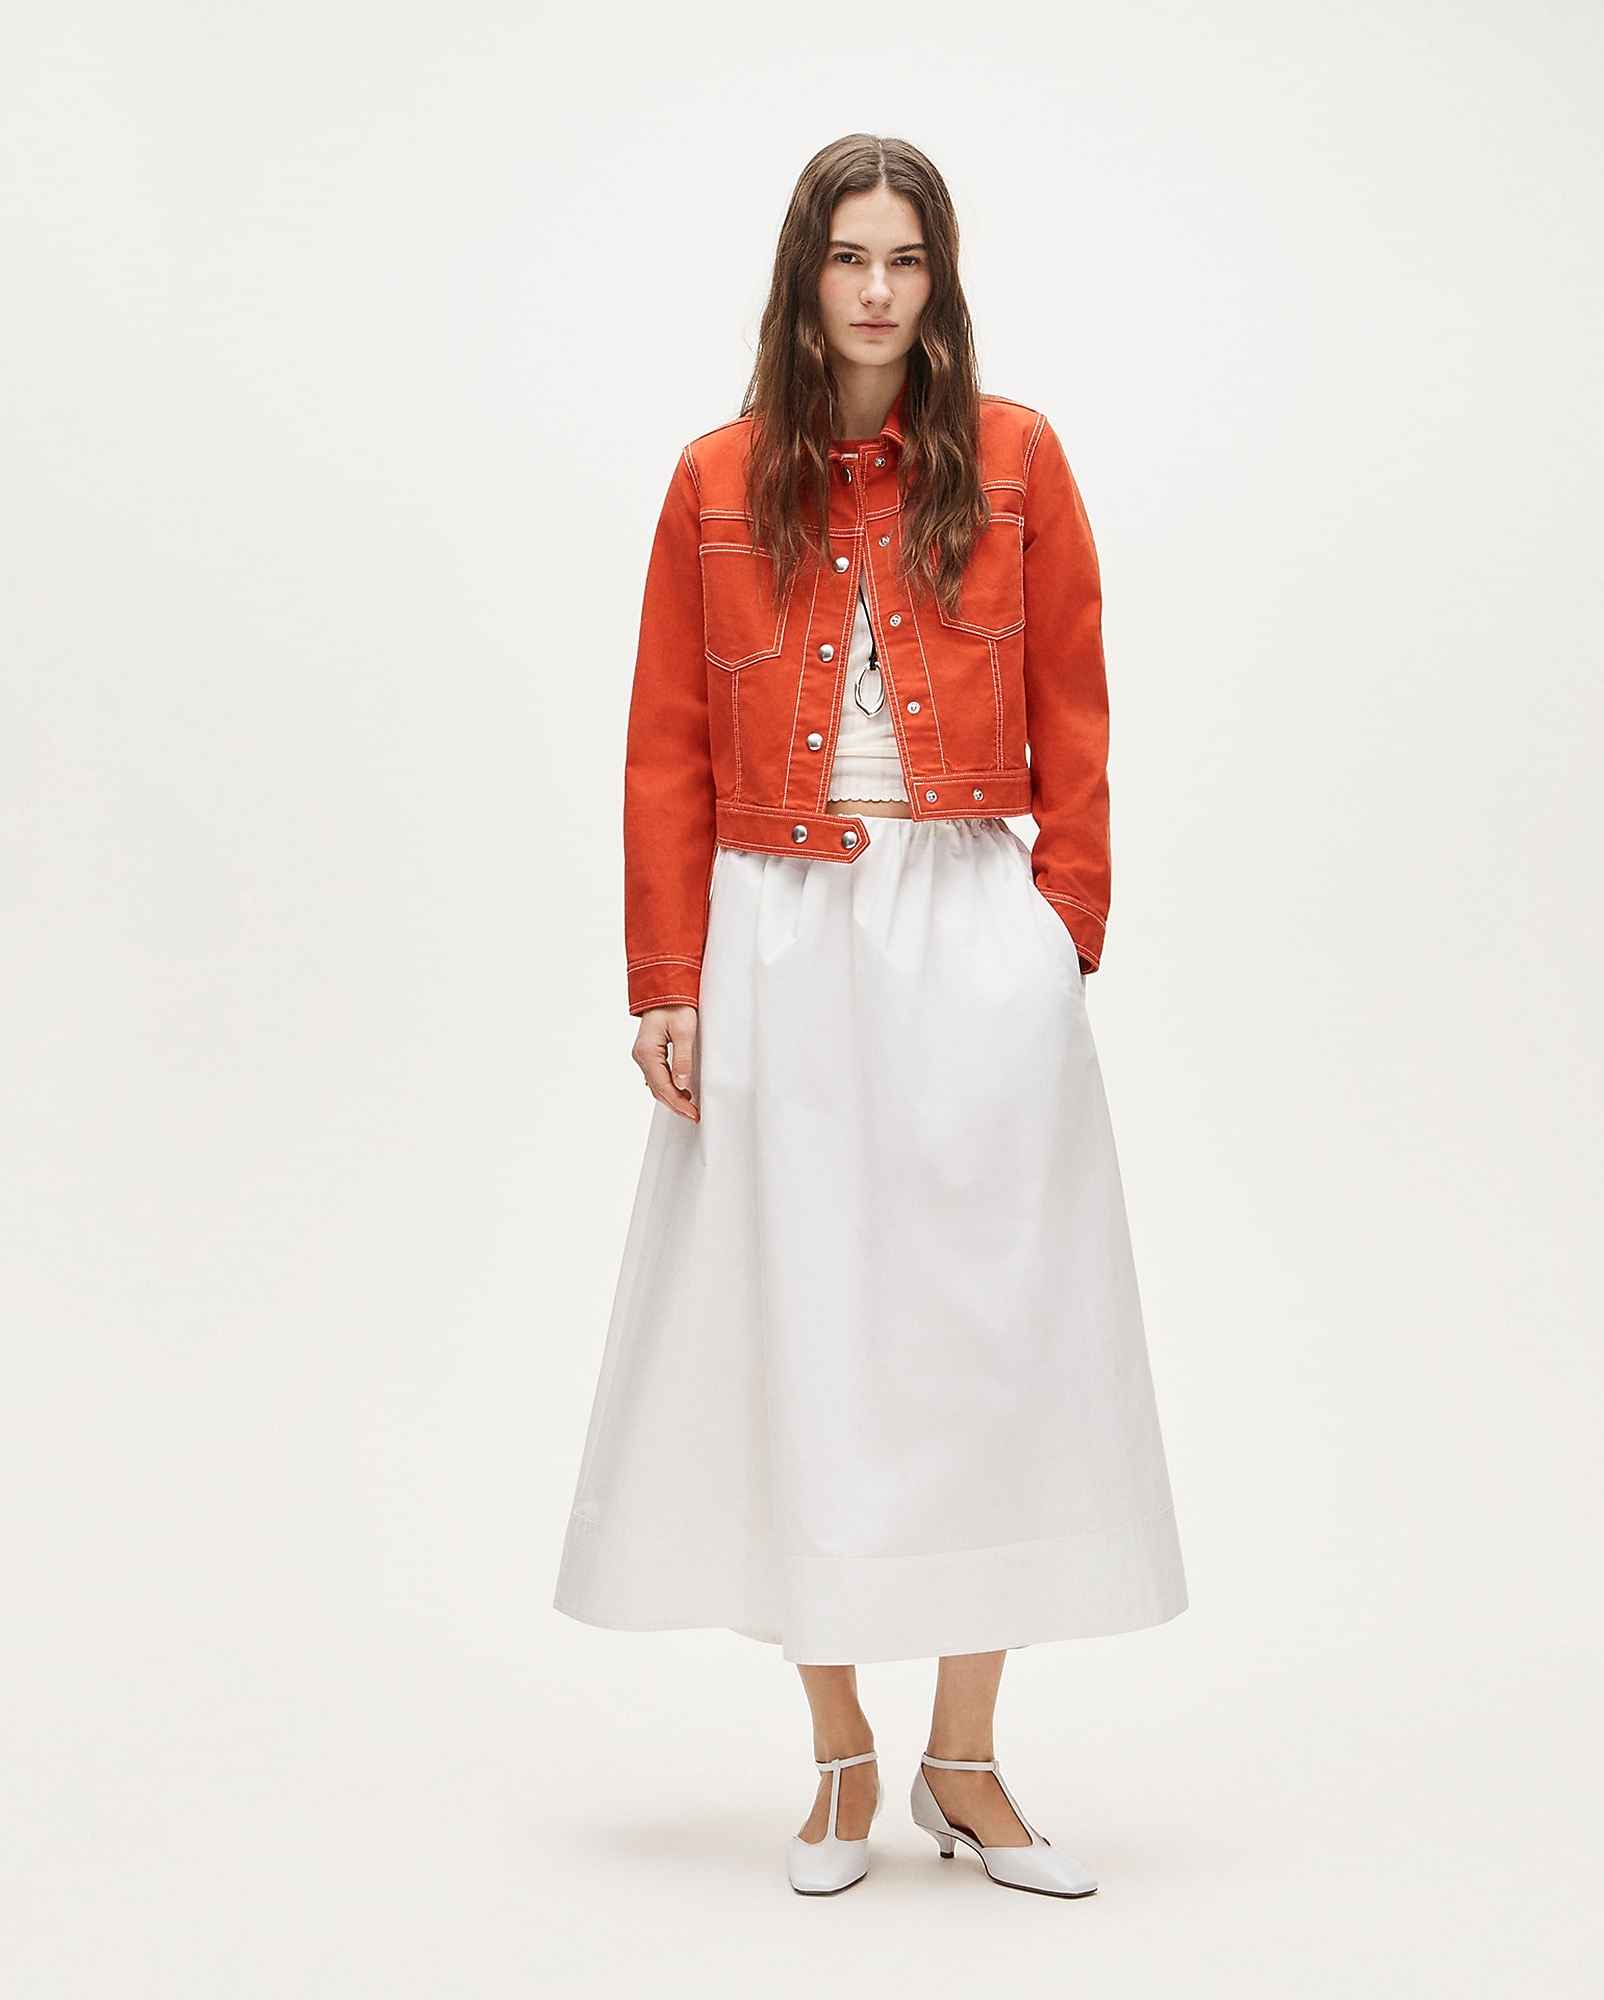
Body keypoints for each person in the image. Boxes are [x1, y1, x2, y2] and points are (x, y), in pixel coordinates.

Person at [553, 133, 1187, 1899]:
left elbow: (1078, 700)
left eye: (907, 258)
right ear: (805, 274)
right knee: (805, 1327)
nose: (880, 289)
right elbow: (666, 744)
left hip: (970, 918)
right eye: (851, 256)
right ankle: (839, 1753)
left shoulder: (1019, 461)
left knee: (991, 1336)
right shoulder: (714, 479)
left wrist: (1061, 930)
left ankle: (962, 1761)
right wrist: (667, 978)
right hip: (780, 928)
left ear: (941, 278)